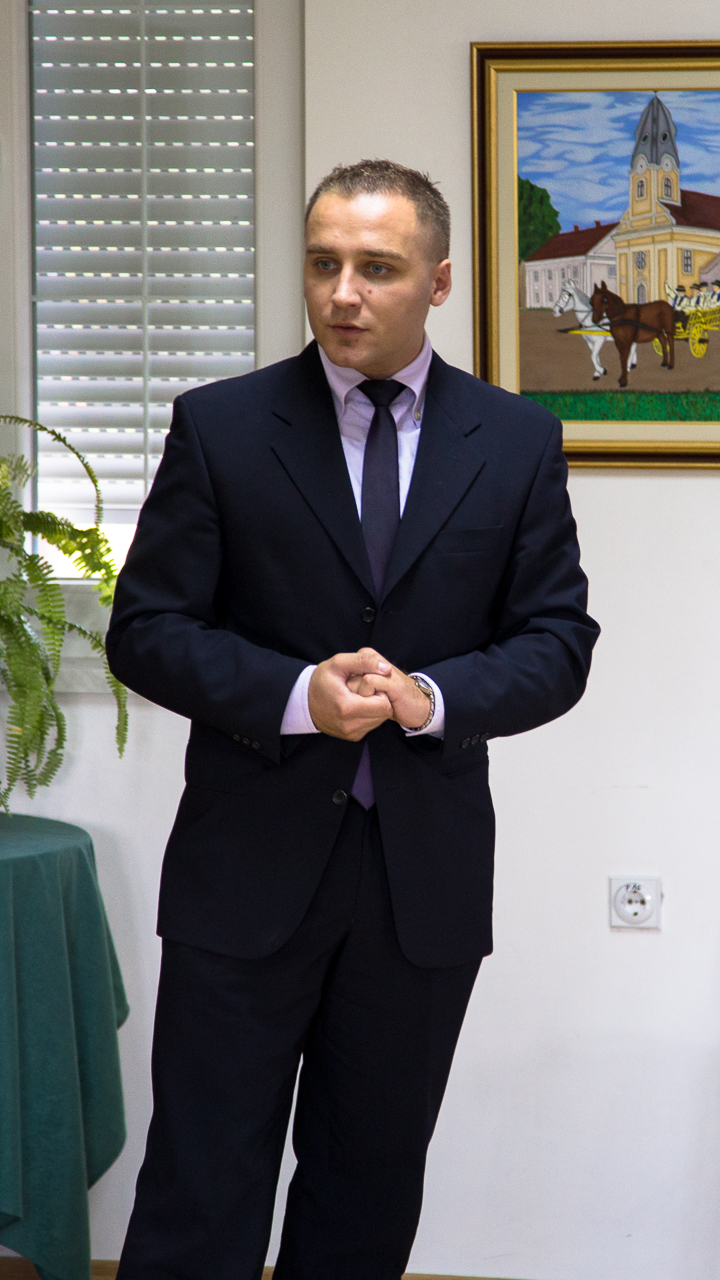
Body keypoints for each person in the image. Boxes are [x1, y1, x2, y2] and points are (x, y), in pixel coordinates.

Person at [107, 159, 599, 1280]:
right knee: (200, 1184)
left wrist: (431, 698)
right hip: (246, 871)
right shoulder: (222, 427)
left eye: (376, 268)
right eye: (323, 263)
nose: (343, 293)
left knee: (367, 1189)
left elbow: (557, 642)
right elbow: (147, 629)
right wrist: (297, 696)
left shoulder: (517, 440)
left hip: (419, 883)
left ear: (438, 282)